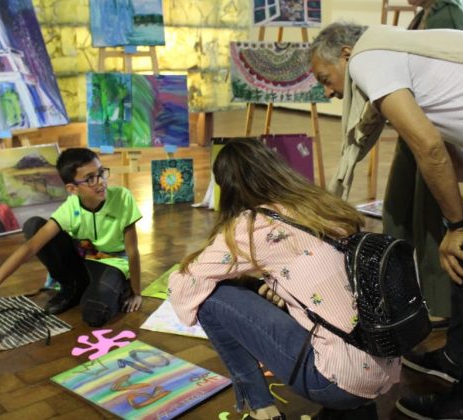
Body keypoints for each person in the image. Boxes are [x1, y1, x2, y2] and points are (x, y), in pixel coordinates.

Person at [310, 22, 463, 419]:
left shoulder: (369, 59)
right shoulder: (401, 53)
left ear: (344, 54)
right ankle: (458, 357)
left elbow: (429, 149)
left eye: (324, 79)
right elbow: (449, 150)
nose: (329, 92)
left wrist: (460, 230)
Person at [168, 138, 399, 420]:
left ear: (228, 187)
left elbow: (185, 283)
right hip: (385, 365)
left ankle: (261, 409)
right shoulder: (320, 205)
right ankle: (355, 407)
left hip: (335, 382)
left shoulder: (254, 223)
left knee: (212, 298)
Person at [382, 0, 463, 329]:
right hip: (414, 118)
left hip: (436, 126)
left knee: (430, 216)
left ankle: (440, 304)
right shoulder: (426, 12)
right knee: (396, 209)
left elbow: (447, 71)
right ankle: (394, 287)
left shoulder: (451, 11)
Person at [0, 148, 143, 327]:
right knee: (34, 226)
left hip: (113, 262)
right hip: (84, 259)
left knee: (95, 314)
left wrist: (136, 291)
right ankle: (74, 286)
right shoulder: (70, 208)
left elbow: (132, 252)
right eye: (91, 179)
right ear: (72, 188)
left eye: (101, 173)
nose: (101, 182)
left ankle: (114, 286)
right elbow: (31, 246)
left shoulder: (123, 198)